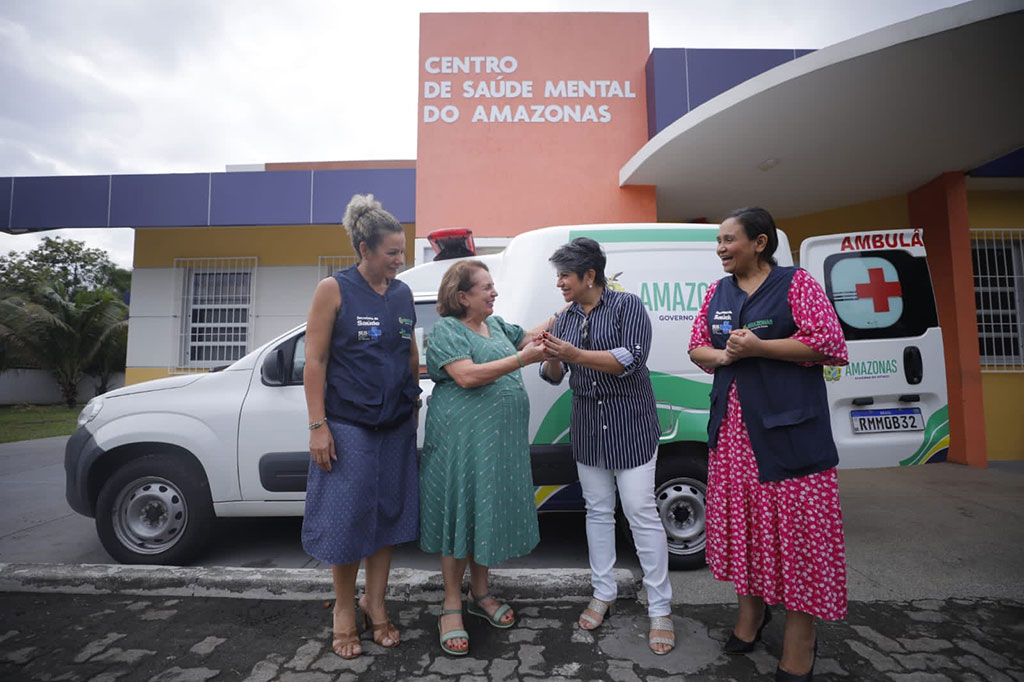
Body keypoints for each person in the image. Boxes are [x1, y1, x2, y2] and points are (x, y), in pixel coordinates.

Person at [688, 207, 849, 682]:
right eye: (717, 240)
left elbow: (831, 344)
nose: (720, 248)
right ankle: (752, 614)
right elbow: (698, 345)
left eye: (728, 239)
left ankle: (802, 638)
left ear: (760, 243)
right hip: (734, 438)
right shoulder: (719, 292)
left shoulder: (796, 284)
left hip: (790, 435)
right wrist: (721, 355)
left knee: (799, 538)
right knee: (748, 531)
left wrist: (761, 348)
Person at [539, 237, 675, 655]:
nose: (560, 282)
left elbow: (628, 360)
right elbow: (552, 376)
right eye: (558, 275)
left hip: (630, 425)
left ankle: (660, 608)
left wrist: (573, 352)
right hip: (588, 428)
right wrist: (552, 355)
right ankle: (603, 592)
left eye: (565, 275)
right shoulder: (563, 318)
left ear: (589, 276)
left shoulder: (627, 306)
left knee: (639, 510)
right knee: (596, 510)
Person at [301, 194, 421, 660]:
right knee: (348, 518)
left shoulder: (403, 292)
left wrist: (411, 403)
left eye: (402, 251)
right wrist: (318, 425)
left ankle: (377, 601)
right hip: (348, 422)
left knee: (387, 514)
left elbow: (409, 352)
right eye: (392, 252)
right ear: (364, 249)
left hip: (395, 423)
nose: (400, 260)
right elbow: (315, 360)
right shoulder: (334, 288)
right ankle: (345, 611)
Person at [419, 260, 546, 657]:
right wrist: (523, 360)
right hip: (462, 442)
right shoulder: (447, 331)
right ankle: (451, 605)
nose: (494, 293)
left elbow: (528, 336)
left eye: (493, 286)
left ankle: (481, 594)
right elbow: (468, 376)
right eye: (486, 287)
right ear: (462, 296)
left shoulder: (498, 327)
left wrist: (569, 309)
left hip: (497, 445)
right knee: (461, 514)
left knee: (483, 511)